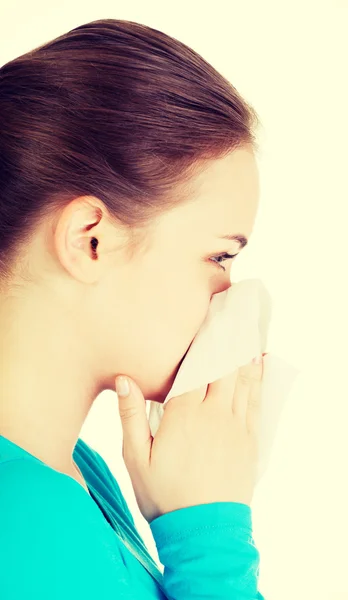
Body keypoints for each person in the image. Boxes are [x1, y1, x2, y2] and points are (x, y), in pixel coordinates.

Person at [0, 18, 266, 599]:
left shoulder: (76, 468)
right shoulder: (16, 518)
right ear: (90, 240)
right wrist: (209, 538)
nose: (232, 299)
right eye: (219, 257)